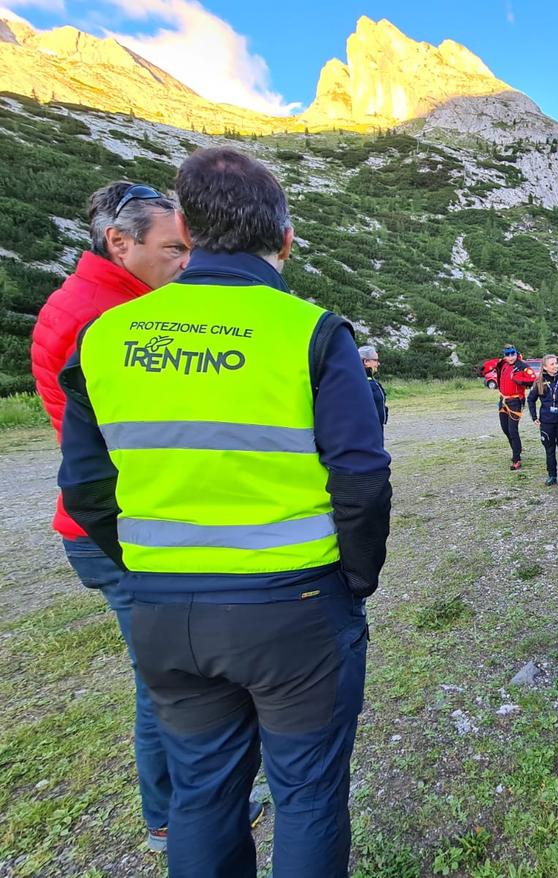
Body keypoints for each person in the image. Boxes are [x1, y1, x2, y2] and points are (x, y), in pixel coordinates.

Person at [57, 147, 392, 878]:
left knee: (203, 792)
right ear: (286, 239)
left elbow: (84, 486)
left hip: (163, 609)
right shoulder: (308, 330)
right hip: (294, 605)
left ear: (190, 228)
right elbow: (361, 474)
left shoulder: (106, 337)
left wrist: (147, 569)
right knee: (306, 793)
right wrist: (356, 579)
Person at [30, 180, 203, 853]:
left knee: (173, 669)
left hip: (121, 518)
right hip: (115, 526)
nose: (184, 261)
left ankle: (180, 801)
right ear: (119, 242)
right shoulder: (99, 320)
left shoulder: (113, 303)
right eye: (172, 249)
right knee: (169, 677)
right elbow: (101, 457)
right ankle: (169, 817)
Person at [528, 354, 558, 486]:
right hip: (546, 422)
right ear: (545, 367)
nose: (555, 366)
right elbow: (530, 400)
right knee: (549, 450)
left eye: (556, 363)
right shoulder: (539, 382)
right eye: (552, 364)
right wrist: (534, 417)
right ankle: (551, 475)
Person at [494, 345, 536, 470]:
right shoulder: (504, 364)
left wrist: (520, 379)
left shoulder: (522, 366)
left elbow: (532, 379)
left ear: (516, 353)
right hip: (503, 400)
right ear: (504, 355)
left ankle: (516, 459)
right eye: (508, 354)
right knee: (505, 428)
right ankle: (517, 447)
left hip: (515, 402)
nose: (511, 357)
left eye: (513, 354)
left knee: (513, 430)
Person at [358, 344, 388, 427]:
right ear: (366, 362)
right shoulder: (367, 384)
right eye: (375, 360)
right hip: (370, 430)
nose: (378, 364)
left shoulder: (369, 380)